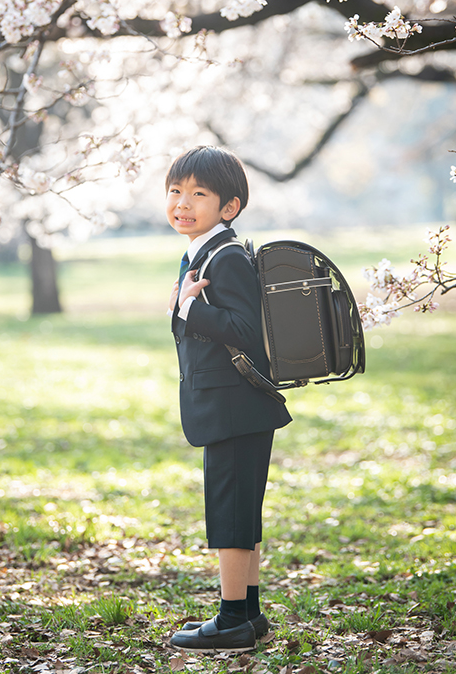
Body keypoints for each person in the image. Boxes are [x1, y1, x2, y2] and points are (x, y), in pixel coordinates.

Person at [165, 146, 292, 653]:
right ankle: (250, 615)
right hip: (228, 407)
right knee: (238, 511)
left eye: (199, 194)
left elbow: (245, 330)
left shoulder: (228, 257)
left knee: (230, 513)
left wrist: (190, 308)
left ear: (229, 207)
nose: (183, 203)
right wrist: (186, 306)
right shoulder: (203, 251)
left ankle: (232, 619)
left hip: (236, 408)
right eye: (176, 191)